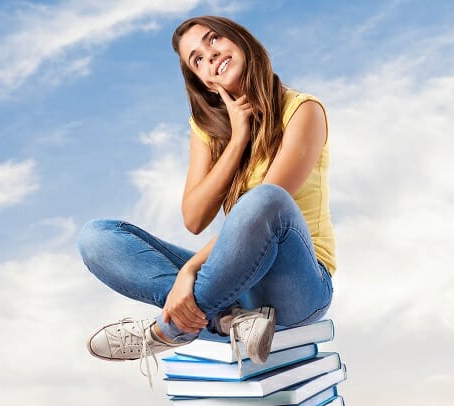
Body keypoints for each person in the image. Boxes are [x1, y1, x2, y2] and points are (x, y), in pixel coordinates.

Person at [76, 16, 336, 383]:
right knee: (96, 237)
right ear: (204, 83)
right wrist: (237, 138)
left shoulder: (303, 110)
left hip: (300, 286)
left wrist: (190, 270)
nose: (210, 56)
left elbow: (271, 203)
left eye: (214, 40)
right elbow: (194, 217)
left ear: (240, 40)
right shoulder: (207, 130)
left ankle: (166, 330)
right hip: (239, 286)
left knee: (265, 200)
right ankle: (229, 318)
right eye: (197, 60)